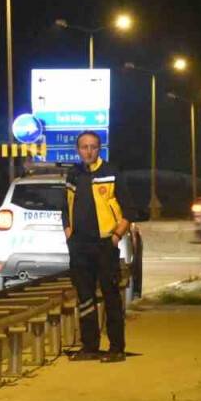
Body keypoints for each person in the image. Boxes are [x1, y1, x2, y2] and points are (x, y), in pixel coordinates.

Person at [63, 131, 131, 363]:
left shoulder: (111, 173)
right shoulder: (73, 175)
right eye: (84, 147)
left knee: (111, 295)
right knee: (85, 297)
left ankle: (116, 348)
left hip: (104, 245)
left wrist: (116, 235)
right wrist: (68, 233)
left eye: (93, 146)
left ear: (99, 149)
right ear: (78, 149)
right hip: (80, 246)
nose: (88, 151)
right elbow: (64, 207)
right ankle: (89, 346)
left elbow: (129, 209)